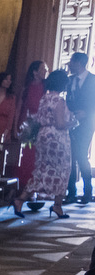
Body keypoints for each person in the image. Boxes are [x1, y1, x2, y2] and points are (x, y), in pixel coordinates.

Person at [14, 70, 72, 219]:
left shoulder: (44, 99)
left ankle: (20, 200)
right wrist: (72, 122)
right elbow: (59, 124)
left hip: (43, 136)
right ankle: (57, 205)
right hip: (57, 139)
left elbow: (39, 119)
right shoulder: (59, 101)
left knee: (41, 169)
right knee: (63, 169)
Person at [16, 61, 49, 195]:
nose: (46, 71)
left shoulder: (46, 88)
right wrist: (15, 127)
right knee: (26, 156)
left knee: (39, 157)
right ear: (35, 72)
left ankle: (36, 188)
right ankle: (23, 186)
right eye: (43, 69)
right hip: (27, 126)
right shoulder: (26, 88)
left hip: (41, 125)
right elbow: (19, 108)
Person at [68, 53, 95, 203]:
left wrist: (86, 113)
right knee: (70, 157)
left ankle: (87, 192)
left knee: (81, 155)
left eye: (71, 61)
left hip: (87, 124)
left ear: (78, 63)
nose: (69, 64)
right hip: (70, 123)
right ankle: (71, 192)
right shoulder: (70, 80)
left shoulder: (93, 80)